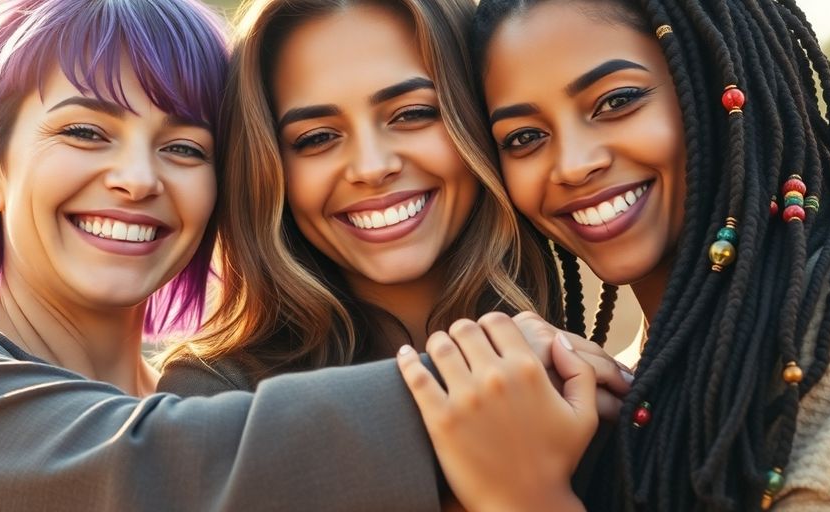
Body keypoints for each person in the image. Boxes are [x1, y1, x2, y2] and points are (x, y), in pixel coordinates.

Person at [0, 1, 459, 509]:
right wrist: (493, 381)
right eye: (85, 132)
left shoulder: (216, 400)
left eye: (183, 147)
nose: (138, 180)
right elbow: (149, 467)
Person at [157, 0, 630, 509]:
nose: (371, 166)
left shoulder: (585, 367)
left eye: (412, 114)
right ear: (269, 168)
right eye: (316, 138)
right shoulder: (215, 402)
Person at [470, 0, 830, 509]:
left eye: (616, 101)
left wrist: (528, 498)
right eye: (524, 137)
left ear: (721, 82)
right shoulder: (621, 383)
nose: (573, 165)